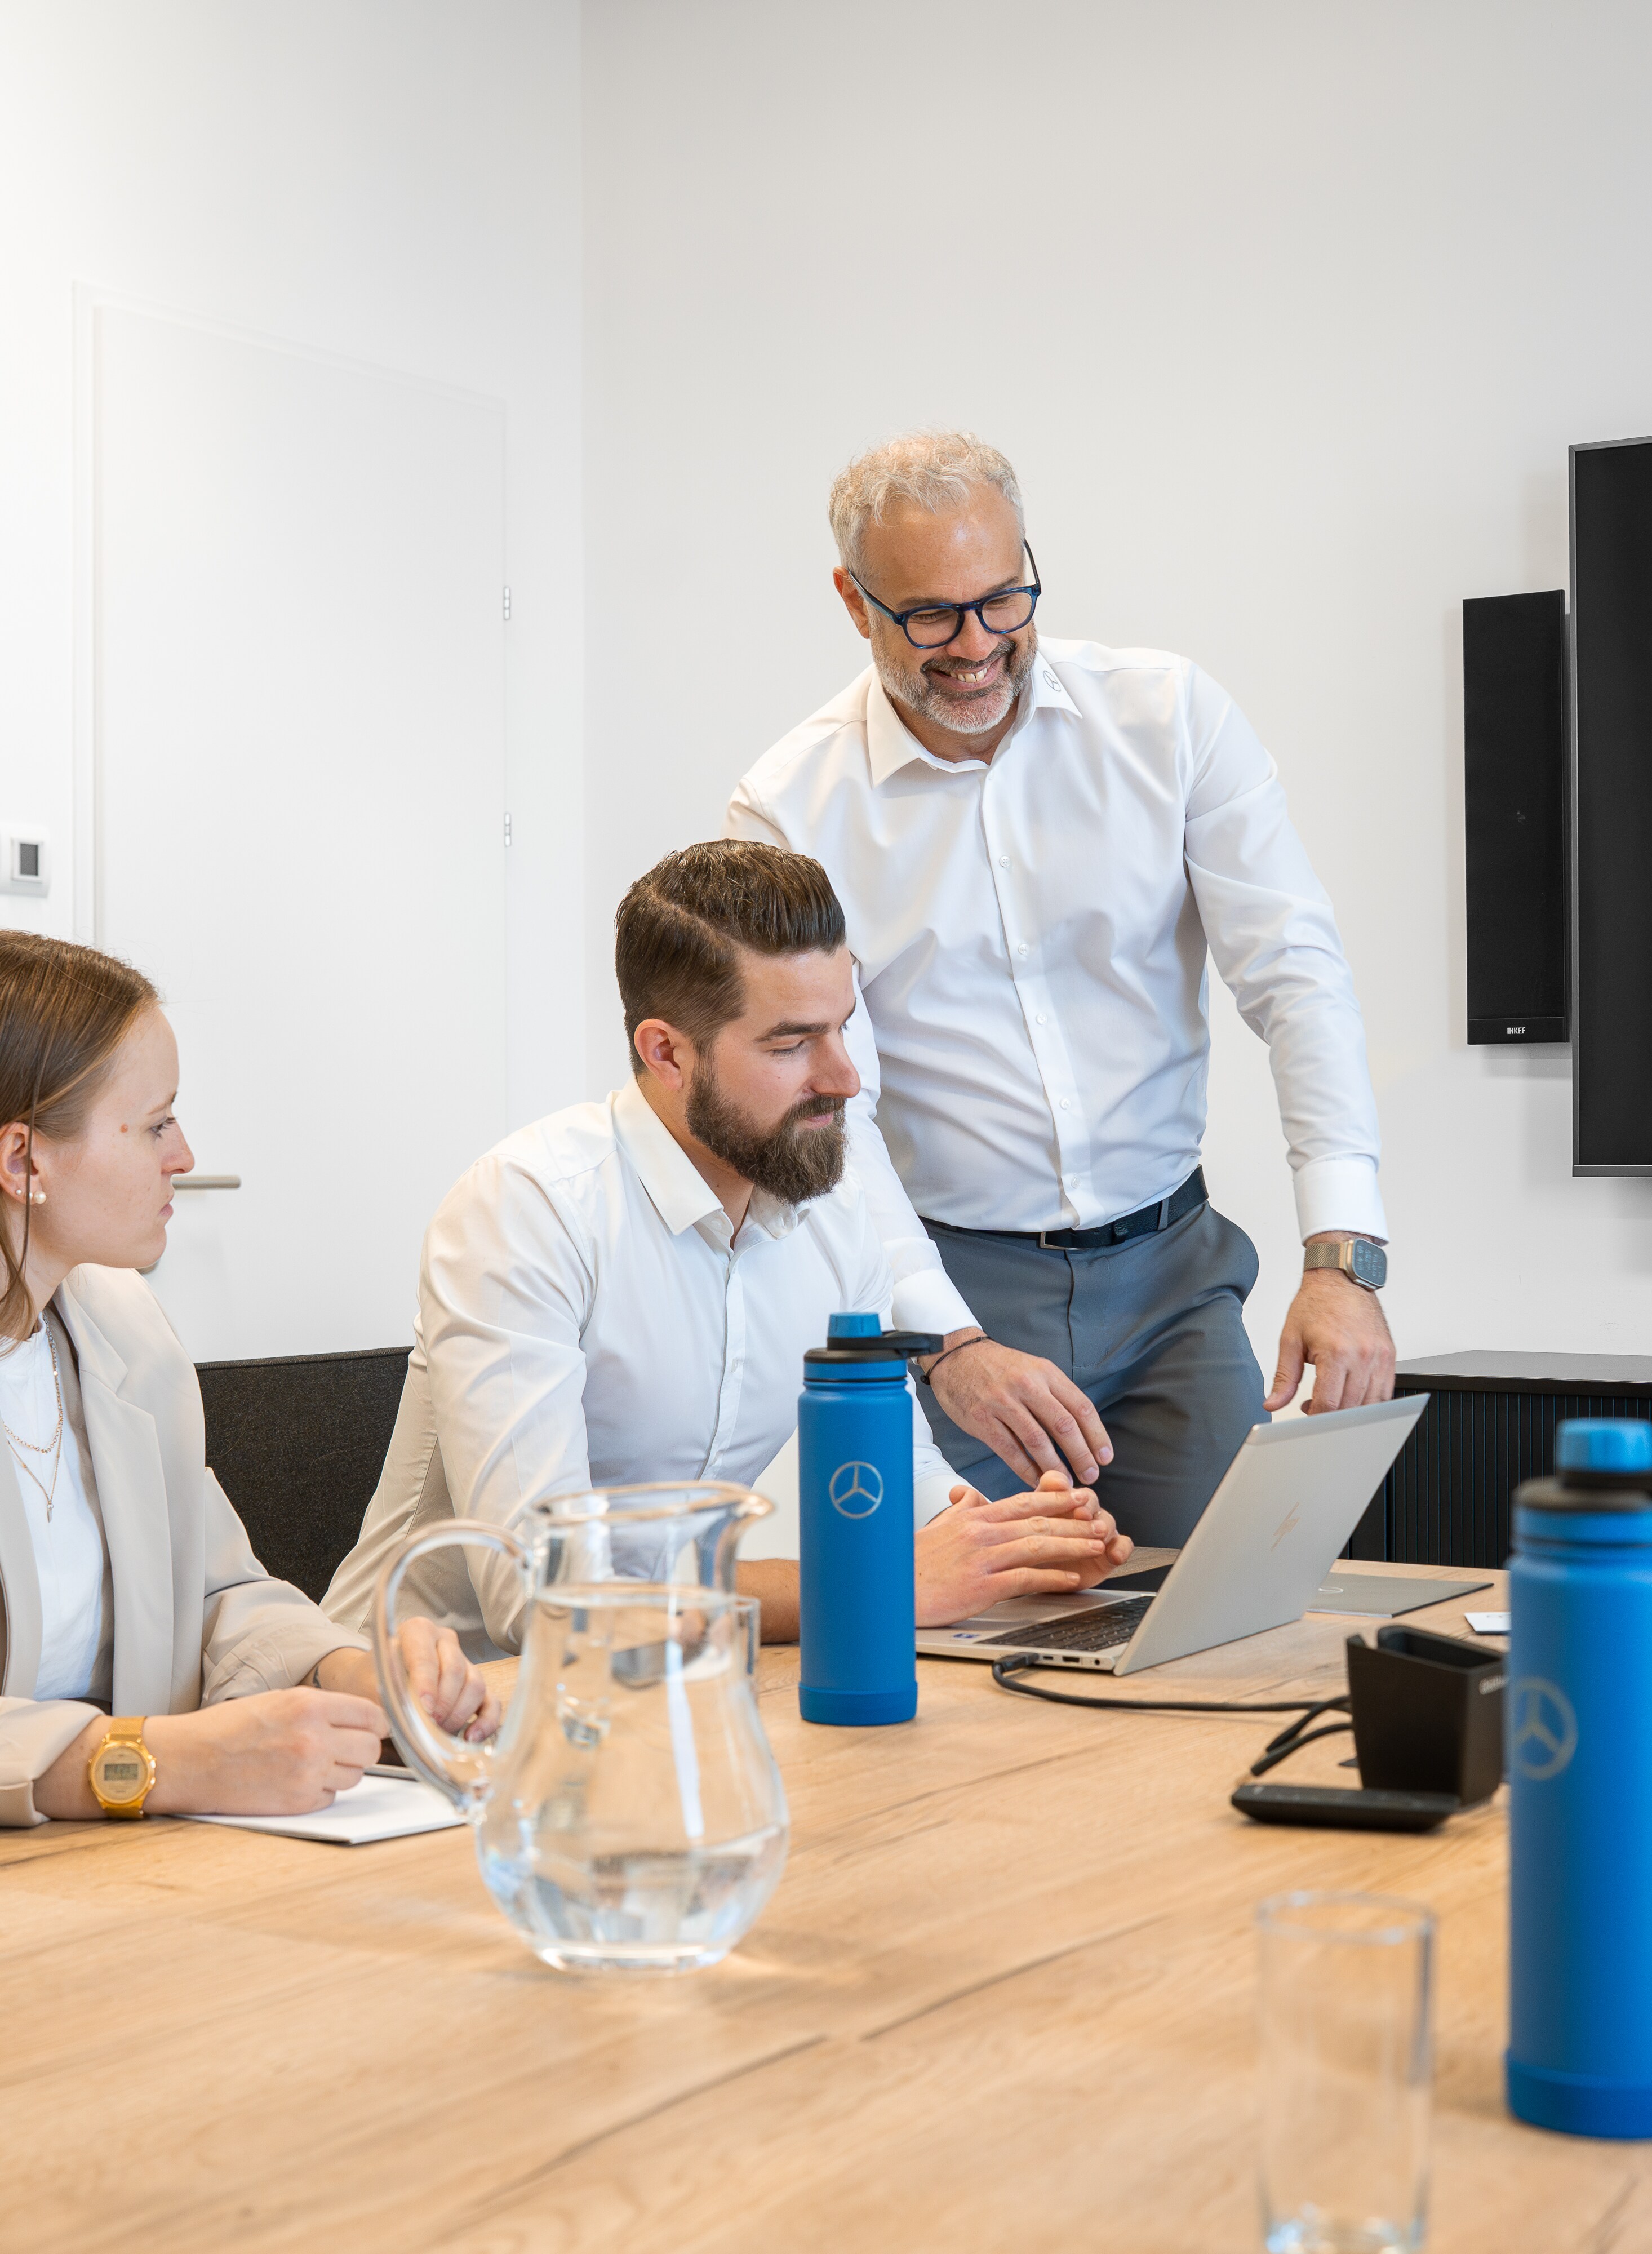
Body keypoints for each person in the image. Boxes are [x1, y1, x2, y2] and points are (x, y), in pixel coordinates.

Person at [726, 428, 1395, 1547]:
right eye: (931, 614)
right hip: (958, 1283)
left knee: (1235, 1618)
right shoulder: (793, 806)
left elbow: (1298, 976)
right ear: (854, 602)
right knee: (977, 1644)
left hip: (1176, 1278)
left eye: (1003, 599)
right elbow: (829, 1101)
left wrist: (1344, 1254)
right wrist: (948, 1344)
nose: (977, 645)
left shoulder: (1169, 718)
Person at [323, 842, 1131, 1652]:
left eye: (843, 1029)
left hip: (679, 1679)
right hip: (426, 1715)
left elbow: (901, 1482)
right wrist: (871, 1582)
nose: (844, 1077)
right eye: (790, 1045)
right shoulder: (526, 1208)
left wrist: (1012, 1545)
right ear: (666, 1052)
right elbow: (547, 1601)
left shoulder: (834, 1205)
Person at [0, 933, 496, 1827]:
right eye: (155, 1124)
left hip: (116, 1875)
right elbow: (157, 1753)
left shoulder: (121, 1326)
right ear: (23, 1162)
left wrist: (351, 1671)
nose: (183, 1156)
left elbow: (217, 1592)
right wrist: (151, 1761)